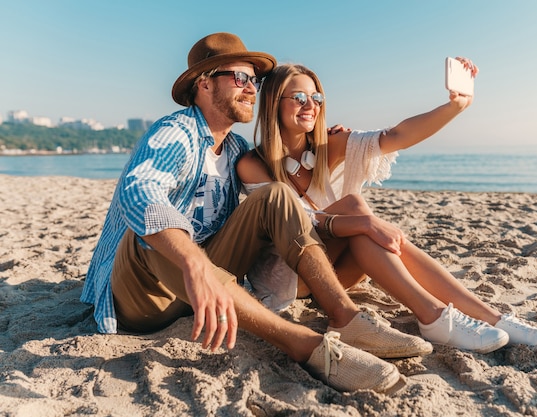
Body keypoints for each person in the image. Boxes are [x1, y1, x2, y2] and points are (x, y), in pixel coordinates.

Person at [80, 33, 433, 394]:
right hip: (144, 297)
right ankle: (304, 345)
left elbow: (288, 208)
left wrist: (317, 141)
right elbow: (140, 190)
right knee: (151, 236)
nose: (251, 89)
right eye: (240, 78)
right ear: (204, 83)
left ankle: (345, 318)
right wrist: (193, 263)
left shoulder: (237, 149)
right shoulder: (176, 133)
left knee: (276, 195)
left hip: (207, 288)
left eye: (255, 80)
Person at [237, 62, 537, 353]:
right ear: (273, 103)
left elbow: (395, 135)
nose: (309, 104)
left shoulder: (327, 145)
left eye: (316, 97)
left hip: (334, 272)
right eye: (298, 97)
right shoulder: (253, 164)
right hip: (287, 277)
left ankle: (490, 317)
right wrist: (365, 224)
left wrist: (455, 106)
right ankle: (434, 316)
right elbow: (295, 223)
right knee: (356, 210)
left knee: (357, 213)